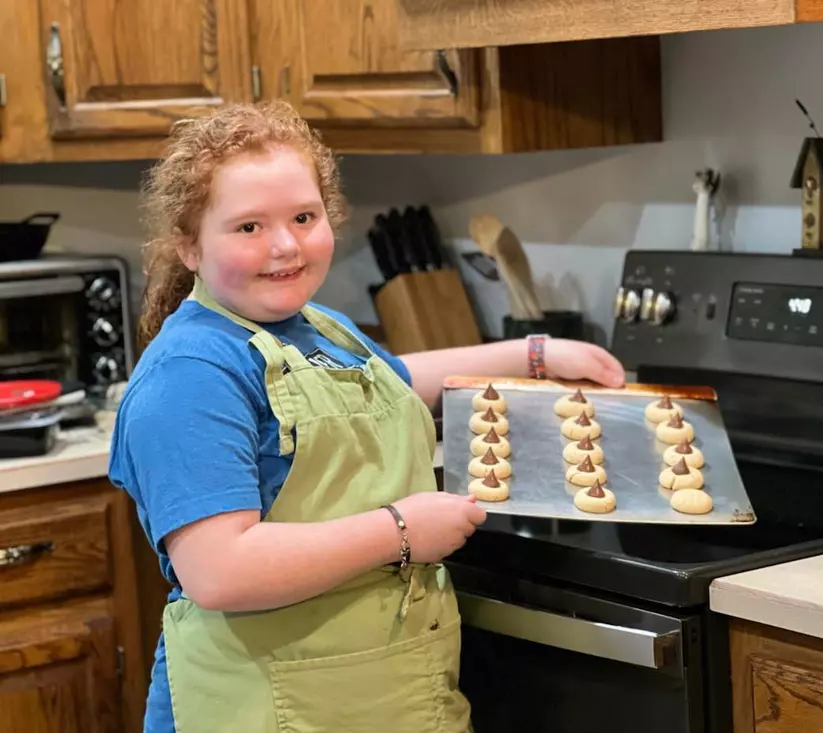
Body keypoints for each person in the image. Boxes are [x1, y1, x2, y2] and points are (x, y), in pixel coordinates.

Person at [109, 100, 626, 733]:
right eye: (248, 227)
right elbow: (221, 572)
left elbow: (396, 382)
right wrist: (402, 530)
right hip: (264, 706)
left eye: (304, 216)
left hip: (385, 694)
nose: (285, 245)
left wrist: (533, 354)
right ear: (189, 245)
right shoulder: (191, 374)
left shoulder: (319, 328)